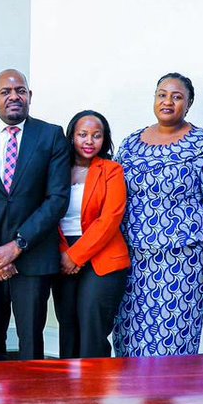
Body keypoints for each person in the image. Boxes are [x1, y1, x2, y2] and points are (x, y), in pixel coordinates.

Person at [113, 73, 203, 357]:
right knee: (128, 335)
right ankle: (134, 400)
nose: (167, 101)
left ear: (189, 103)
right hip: (131, 261)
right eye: (161, 94)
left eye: (177, 96)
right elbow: (115, 194)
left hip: (181, 262)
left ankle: (168, 401)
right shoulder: (131, 144)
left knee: (173, 338)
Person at [0, 69, 70, 361]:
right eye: (6, 92)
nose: (14, 96)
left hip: (33, 258)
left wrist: (17, 246)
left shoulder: (51, 136)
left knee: (31, 344)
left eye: (20, 90)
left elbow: (57, 198)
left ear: (30, 96)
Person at [55, 110, 130, 359]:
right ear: (71, 137)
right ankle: (69, 390)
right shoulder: (56, 169)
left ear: (104, 139)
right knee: (67, 326)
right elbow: (46, 213)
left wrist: (75, 256)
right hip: (61, 253)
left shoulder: (111, 170)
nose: (89, 141)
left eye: (96, 136)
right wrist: (64, 253)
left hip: (102, 256)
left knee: (92, 328)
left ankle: (94, 391)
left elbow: (110, 219)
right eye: (83, 135)